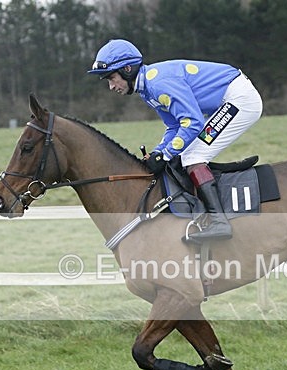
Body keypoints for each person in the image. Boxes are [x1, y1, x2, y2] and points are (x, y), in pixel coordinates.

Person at [88, 39, 263, 243]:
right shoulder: (147, 89)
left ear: (127, 69)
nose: (111, 86)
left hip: (240, 100)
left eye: (111, 78)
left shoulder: (158, 84)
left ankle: (219, 222)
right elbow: (174, 127)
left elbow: (193, 122)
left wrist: (166, 154)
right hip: (229, 99)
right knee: (186, 155)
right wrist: (158, 152)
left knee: (193, 156)